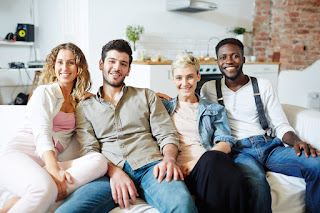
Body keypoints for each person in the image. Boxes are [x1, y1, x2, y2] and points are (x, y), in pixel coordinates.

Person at [55, 39, 197, 213]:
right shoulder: (85, 106)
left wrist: (169, 160)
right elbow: (89, 150)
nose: (117, 68)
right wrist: (114, 172)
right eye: (112, 61)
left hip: (152, 167)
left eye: (123, 63)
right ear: (101, 64)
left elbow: (167, 134)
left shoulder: (147, 96)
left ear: (129, 70)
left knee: (183, 205)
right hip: (106, 175)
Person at [200, 38, 320, 213]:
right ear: (217, 61)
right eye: (223, 57)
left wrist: (296, 141)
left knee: (316, 165)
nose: (229, 61)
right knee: (257, 183)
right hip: (238, 151)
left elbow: (280, 124)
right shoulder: (209, 88)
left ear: (243, 59)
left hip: (269, 147)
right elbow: (192, 107)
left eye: (234, 56)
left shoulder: (263, 85)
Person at [0, 43, 108, 213]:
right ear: (53, 66)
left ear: (79, 67)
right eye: (59, 62)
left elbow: (105, 120)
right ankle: (40, 192)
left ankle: (21, 200)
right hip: (17, 157)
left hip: (45, 166)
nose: (64, 68)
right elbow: (42, 134)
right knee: (44, 189)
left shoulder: (78, 101)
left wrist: (95, 98)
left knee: (100, 162)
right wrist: (53, 169)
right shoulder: (44, 93)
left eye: (71, 62)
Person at [161, 53, 251, 212]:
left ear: (198, 77)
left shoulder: (214, 109)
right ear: (173, 80)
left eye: (189, 77)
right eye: (179, 78)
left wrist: (195, 162)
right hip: (180, 170)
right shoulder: (164, 109)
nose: (184, 83)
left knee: (229, 172)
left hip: (207, 165)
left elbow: (225, 142)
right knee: (228, 173)